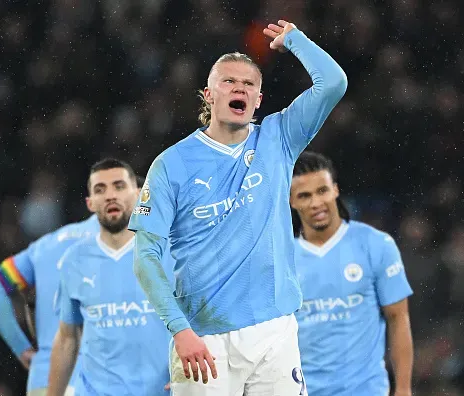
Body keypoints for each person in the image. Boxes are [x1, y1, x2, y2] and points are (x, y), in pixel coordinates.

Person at [129, 20, 348, 395]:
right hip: (204, 339)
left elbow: (333, 82)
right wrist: (180, 331)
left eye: (249, 84)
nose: (240, 88)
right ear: (208, 95)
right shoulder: (172, 164)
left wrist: (295, 41)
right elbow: (145, 255)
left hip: (275, 331)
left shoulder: (278, 138)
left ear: (258, 100)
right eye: (229, 81)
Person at [290, 151, 414, 396]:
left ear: (335, 190)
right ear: (292, 201)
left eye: (322, 191)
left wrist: (403, 390)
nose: (316, 203)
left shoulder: (376, 245)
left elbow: (398, 318)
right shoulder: (281, 258)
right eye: (305, 196)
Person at [47, 159, 173, 396]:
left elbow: (202, 320)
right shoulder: (74, 260)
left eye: (119, 186)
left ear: (138, 194)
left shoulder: (169, 252)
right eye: (100, 190)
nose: (110, 196)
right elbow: (66, 339)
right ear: (90, 203)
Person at [0, 211, 99, 396]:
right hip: (101, 377)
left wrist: (22, 349)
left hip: (45, 377)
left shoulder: (45, 245)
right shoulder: (125, 244)